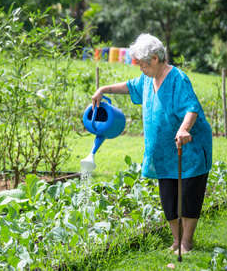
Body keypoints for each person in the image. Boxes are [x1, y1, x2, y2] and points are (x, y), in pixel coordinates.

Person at [91, 33, 212, 255]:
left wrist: (184, 128)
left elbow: (191, 108)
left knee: (188, 196)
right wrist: (104, 89)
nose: (141, 69)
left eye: (143, 64)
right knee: (168, 198)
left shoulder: (178, 79)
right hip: (162, 152)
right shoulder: (147, 79)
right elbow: (129, 86)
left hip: (188, 148)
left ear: (155, 59)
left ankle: (186, 242)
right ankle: (176, 241)